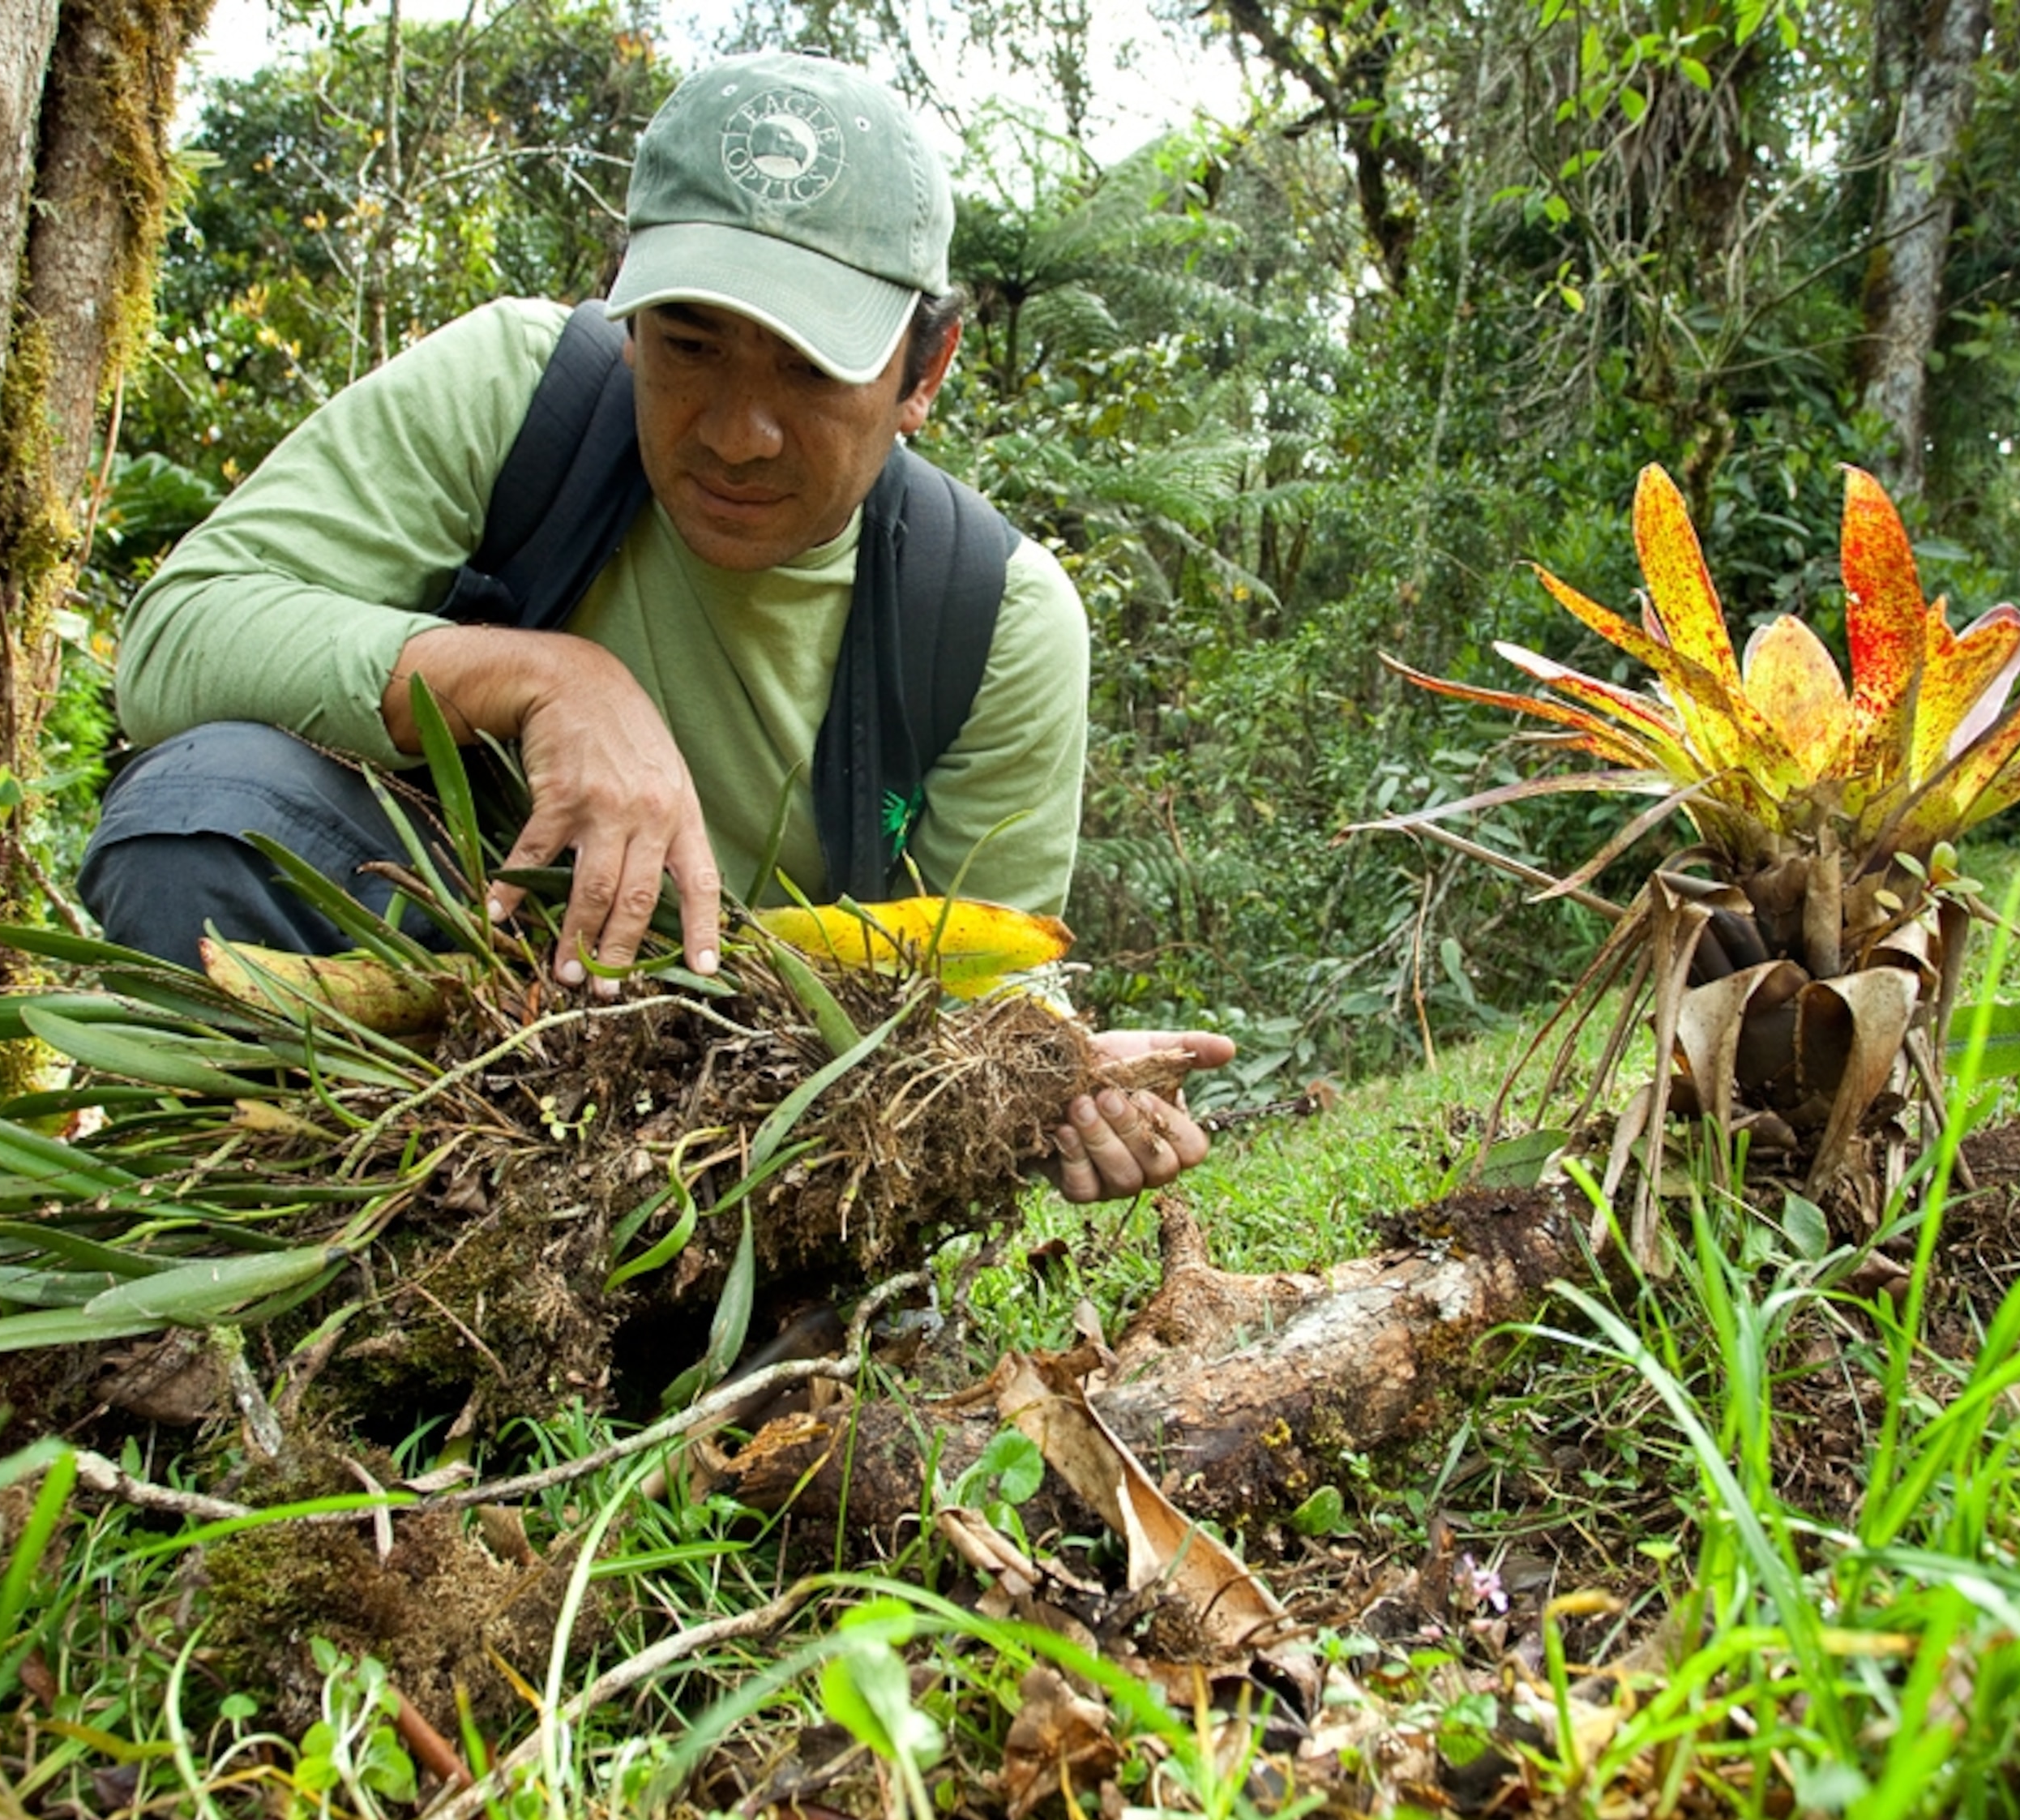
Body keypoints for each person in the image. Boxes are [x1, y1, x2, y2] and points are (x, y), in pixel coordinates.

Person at [77, 49, 1232, 1202]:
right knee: (199, 820)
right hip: (422, 990)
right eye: (688, 345)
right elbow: (178, 637)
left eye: (812, 370)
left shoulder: (990, 619)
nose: (738, 432)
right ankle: (234, 1277)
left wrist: (1067, 1079)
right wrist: (542, 679)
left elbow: (985, 984)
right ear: (627, 309)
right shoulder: (516, 395)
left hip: (738, 1125)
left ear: (924, 369)